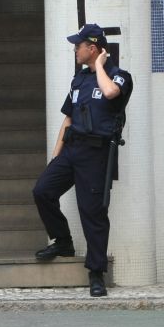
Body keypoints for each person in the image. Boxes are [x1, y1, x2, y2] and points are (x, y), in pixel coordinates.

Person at [32, 23, 133, 297]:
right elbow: (68, 118)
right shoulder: (78, 80)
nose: (75, 49)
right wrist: (56, 154)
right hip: (71, 150)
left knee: (93, 212)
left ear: (93, 48)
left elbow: (110, 93)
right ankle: (63, 241)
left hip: (96, 154)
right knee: (42, 191)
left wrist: (100, 65)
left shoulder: (120, 76)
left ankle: (96, 272)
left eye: (79, 45)